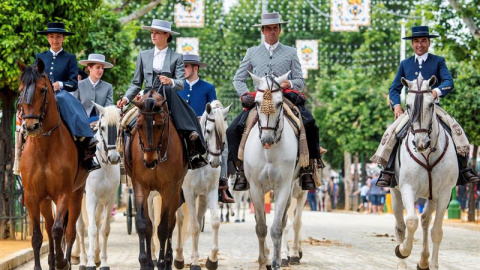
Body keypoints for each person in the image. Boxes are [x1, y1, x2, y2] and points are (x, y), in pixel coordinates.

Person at [227, 12, 326, 191]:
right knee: (233, 129)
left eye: (275, 28)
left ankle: (308, 168)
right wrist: (244, 95)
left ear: (279, 30)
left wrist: (291, 83)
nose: (271, 32)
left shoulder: (291, 52)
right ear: (263, 31)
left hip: (284, 98)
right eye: (268, 29)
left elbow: (300, 81)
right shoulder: (252, 52)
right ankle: (240, 170)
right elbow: (238, 79)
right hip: (260, 100)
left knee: (310, 124)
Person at [372, 26, 479, 187]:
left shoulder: (438, 61)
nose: (419, 44)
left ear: (429, 43)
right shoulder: (405, 63)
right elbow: (394, 88)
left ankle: (464, 170)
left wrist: (436, 92)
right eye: (416, 41)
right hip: (412, 111)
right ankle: (388, 172)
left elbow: (449, 82)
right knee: (393, 133)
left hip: (432, 108)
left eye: (423, 41)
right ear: (412, 44)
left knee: (455, 129)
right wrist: (396, 106)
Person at [116, 19, 207, 169]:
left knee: (188, 111)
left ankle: (192, 148)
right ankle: (124, 156)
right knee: (126, 123)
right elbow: (136, 83)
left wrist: (170, 81)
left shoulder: (177, 57)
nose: (153, 35)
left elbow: (181, 83)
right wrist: (126, 98)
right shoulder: (143, 55)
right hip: (146, 98)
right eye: (152, 32)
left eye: (157, 32)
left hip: (167, 97)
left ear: (166, 35)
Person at [36, 22, 100, 172]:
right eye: (51, 37)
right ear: (47, 38)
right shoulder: (41, 57)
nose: (55, 40)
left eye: (58, 37)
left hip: (61, 94)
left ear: (63, 38)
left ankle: (86, 141)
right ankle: (21, 151)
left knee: (63, 99)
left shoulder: (70, 58)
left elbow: (73, 83)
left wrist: (60, 85)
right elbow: (35, 78)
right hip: (43, 95)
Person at [177, 54, 234, 203]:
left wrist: (203, 118)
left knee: (224, 144)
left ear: (195, 68)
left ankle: (222, 183)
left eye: (186, 67)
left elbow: (214, 106)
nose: (183, 70)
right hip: (182, 128)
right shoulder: (178, 86)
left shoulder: (208, 87)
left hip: (203, 129)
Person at [73, 54, 114, 123]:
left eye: (102, 68)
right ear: (89, 68)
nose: (101, 70)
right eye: (98, 67)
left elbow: (108, 109)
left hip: (102, 124)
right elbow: (75, 106)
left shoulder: (108, 87)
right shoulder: (79, 85)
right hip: (82, 123)